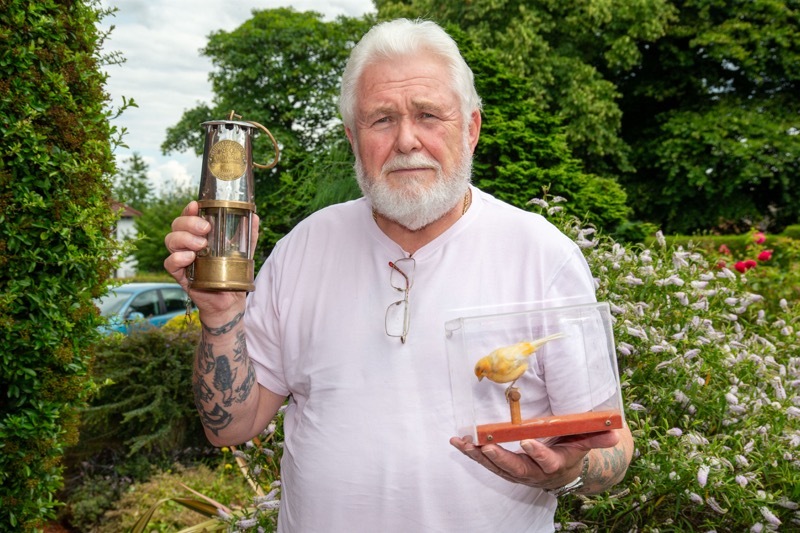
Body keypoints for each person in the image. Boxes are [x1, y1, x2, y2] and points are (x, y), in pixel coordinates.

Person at [165, 18, 634, 532]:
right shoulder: (303, 248)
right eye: (381, 119)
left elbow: (613, 449)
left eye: (429, 115)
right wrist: (220, 314)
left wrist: (563, 473)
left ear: (471, 128)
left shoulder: (542, 255)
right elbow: (230, 425)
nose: (407, 139)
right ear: (352, 137)